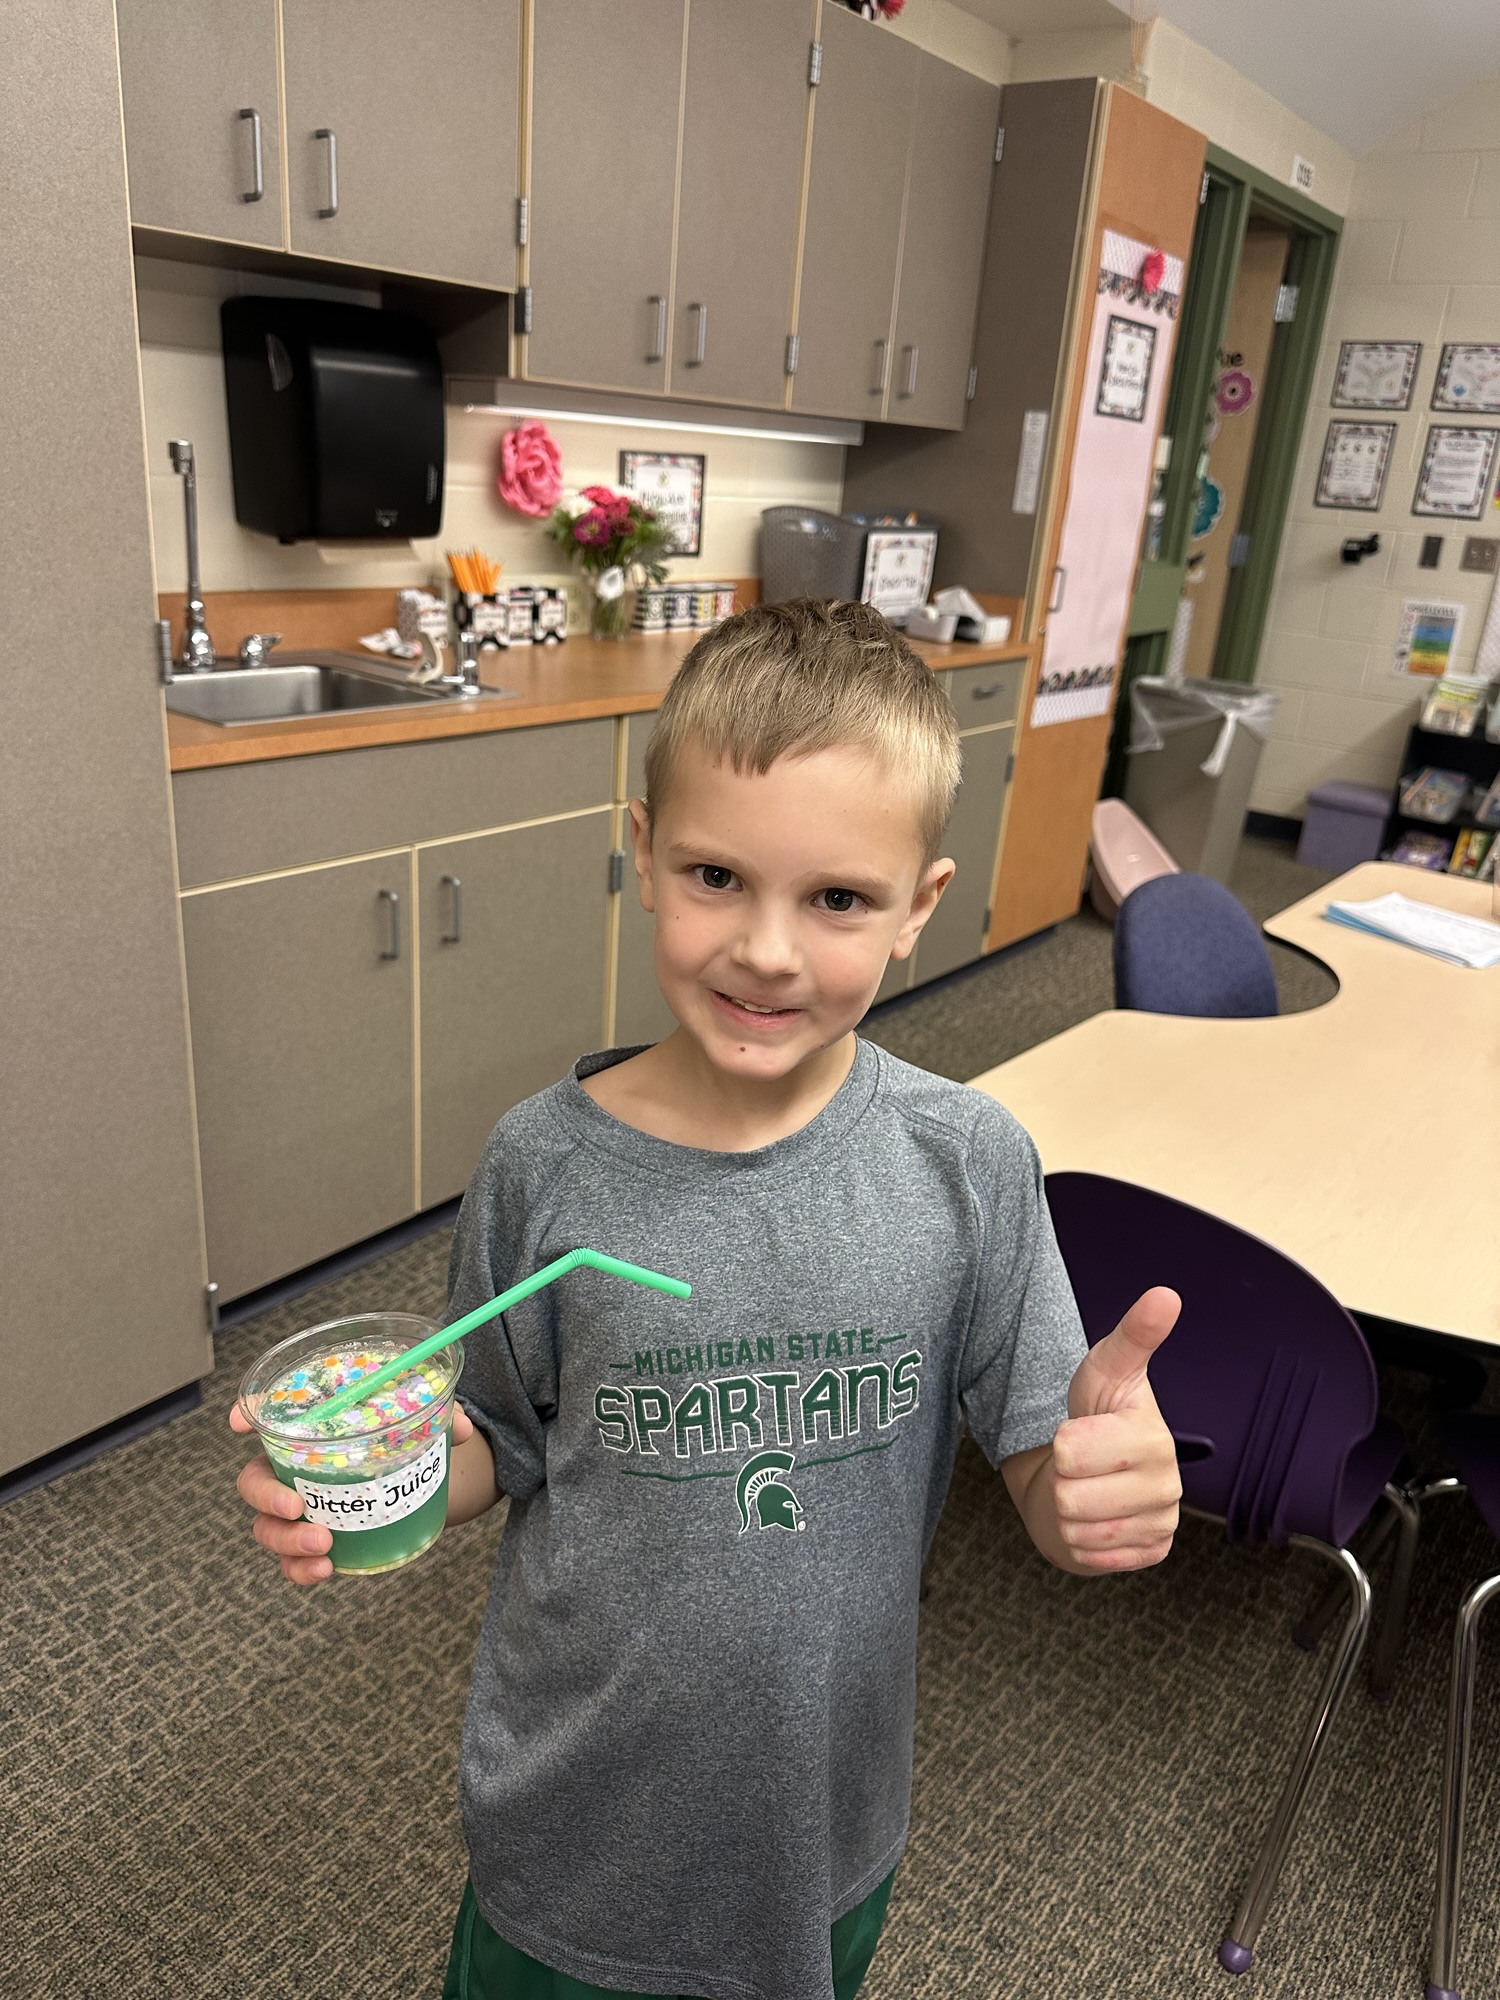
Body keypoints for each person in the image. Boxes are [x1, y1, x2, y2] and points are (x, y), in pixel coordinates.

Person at [233, 598, 1183, 2000]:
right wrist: (379, 1473)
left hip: (820, 1829)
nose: (768, 951)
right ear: (644, 855)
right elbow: (494, 1436)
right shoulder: (542, 1165)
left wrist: (1094, 1495)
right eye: (718, 877)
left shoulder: (968, 1165)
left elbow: (1042, 1477)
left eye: (838, 899)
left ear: (919, 907)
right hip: (571, 1822)